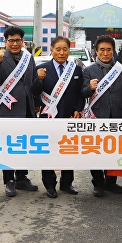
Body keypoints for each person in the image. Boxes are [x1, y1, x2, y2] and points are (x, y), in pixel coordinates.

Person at [0, 26, 39, 197]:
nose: (15, 43)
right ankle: (8, 179)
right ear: (5, 41)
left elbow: (32, 82)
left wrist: (36, 103)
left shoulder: (28, 58)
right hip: (9, 109)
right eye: (11, 40)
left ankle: (22, 177)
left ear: (22, 41)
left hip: (27, 108)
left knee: (24, 145)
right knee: (9, 145)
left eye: (18, 40)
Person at [32, 36, 85, 198]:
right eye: (58, 49)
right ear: (52, 50)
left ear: (69, 50)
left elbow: (81, 93)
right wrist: (38, 79)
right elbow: (34, 93)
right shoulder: (42, 69)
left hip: (69, 116)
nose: (62, 53)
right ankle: (50, 184)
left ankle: (67, 182)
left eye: (65, 49)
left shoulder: (75, 69)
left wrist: (79, 108)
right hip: (48, 117)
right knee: (49, 151)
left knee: (68, 150)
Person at [82, 36, 122, 197]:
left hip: (116, 116)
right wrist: (89, 88)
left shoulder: (121, 70)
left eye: (109, 49)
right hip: (96, 117)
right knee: (96, 151)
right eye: (102, 49)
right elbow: (82, 93)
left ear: (113, 51)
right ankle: (98, 183)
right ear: (96, 51)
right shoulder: (88, 71)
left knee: (113, 151)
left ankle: (111, 182)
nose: (105, 53)